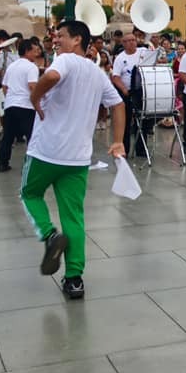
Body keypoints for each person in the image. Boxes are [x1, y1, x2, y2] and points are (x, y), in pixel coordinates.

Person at [21, 20, 125, 300]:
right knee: (74, 217)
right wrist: (117, 140)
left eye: (61, 36)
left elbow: (52, 77)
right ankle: (74, 279)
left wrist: (35, 96)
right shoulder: (97, 72)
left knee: (29, 194)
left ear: (77, 39)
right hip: (78, 158)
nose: (56, 40)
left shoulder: (65, 60)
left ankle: (48, 234)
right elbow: (117, 104)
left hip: (45, 150)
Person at [0, 39, 40, 172]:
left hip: (11, 105)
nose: (37, 53)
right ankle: (31, 164)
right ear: (27, 51)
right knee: (31, 136)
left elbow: (4, 86)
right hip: (26, 106)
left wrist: (11, 97)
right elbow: (33, 87)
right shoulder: (31, 67)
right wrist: (38, 104)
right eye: (34, 50)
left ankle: (3, 163)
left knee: (8, 136)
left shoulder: (12, 66)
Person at [110, 32, 153, 158]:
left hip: (142, 91)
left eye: (133, 40)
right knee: (126, 121)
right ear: (123, 43)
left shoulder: (143, 52)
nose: (131, 42)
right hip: (127, 92)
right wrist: (124, 90)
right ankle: (124, 149)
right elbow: (116, 77)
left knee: (143, 121)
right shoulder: (120, 58)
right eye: (128, 41)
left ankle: (141, 149)